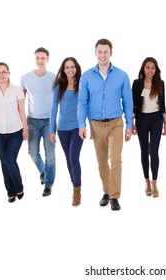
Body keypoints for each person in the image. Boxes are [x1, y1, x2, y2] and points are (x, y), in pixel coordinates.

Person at [77, 38, 133, 211]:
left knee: (115, 159)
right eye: (99, 51)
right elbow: (82, 102)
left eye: (105, 51)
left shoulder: (122, 75)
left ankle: (115, 196)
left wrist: (129, 125)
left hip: (116, 123)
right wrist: (82, 124)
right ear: (95, 53)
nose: (102, 55)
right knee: (102, 162)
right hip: (96, 124)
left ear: (111, 53)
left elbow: (128, 102)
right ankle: (107, 192)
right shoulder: (86, 76)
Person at [0, 62, 28, 203]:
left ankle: (19, 187)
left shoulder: (16, 90)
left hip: (15, 131)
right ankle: (10, 192)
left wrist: (25, 129)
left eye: (4, 71)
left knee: (10, 160)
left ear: (9, 73)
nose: (1, 74)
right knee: (4, 162)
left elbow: (22, 111)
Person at [20, 47, 56, 197]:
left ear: (47, 59)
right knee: (33, 152)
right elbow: (20, 103)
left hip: (49, 121)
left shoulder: (54, 77)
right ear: (34, 59)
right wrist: (23, 125)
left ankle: (48, 184)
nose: (40, 61)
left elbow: (59, 100)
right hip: (32, 121)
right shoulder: (25, 78)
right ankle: (43, 171)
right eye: (37, 58)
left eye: (43, 58)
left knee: (51, 155)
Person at [50, 57, 83, 206]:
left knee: (73, 156)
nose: (70, 70)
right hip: (62, 128)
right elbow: (53, 108)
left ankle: (77, 190)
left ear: (76, 68)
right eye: (67, 67)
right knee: (68, 159)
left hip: (77, 127)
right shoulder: (59, 85)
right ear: (63, 70)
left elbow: (86, 106)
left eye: (72, 67)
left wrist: (87, 125)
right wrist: (52, 130)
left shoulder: (82, 83)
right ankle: (74, 183)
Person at [132, 57, 166, 198]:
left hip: (156, 119)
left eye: (153, 67)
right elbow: (133, 104)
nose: (150, 70)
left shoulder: (160, 84)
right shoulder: (137, 83)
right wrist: (132, 123)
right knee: (144, 150)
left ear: (156, 69)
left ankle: (154, 182)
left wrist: (165, 123)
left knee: (154, 151)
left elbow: (163, 104)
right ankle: (146, 181)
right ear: (143, 69)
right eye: (147, 67)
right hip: (141, 119)